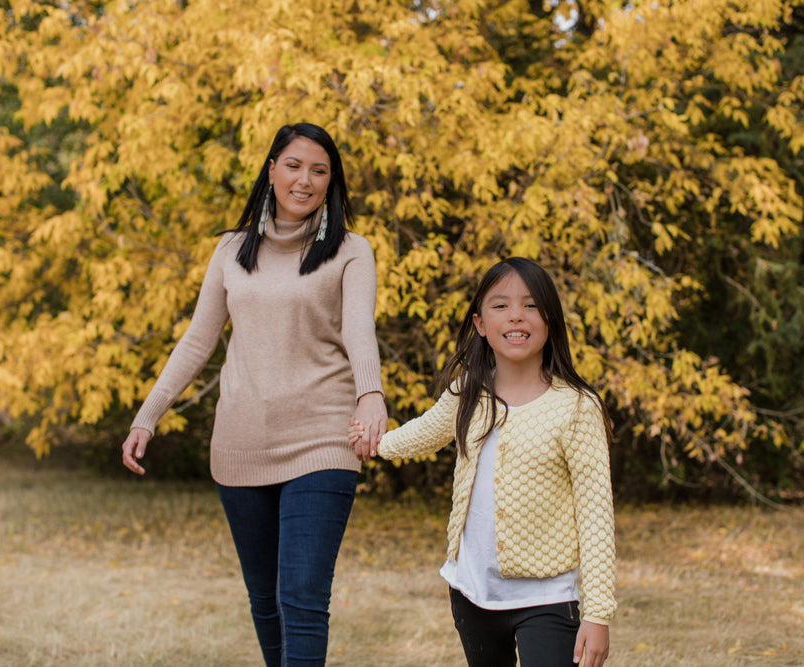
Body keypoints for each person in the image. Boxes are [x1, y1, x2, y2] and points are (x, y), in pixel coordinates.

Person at [121, 122, 388, 667]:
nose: (305, 180)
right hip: (241, 441)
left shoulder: (351, 250)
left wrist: (371, 394)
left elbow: (360, 327)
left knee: (302, 600)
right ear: (271, 170)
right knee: (266, 603)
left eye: (319, 170)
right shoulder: (231, 249)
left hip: (322, 438)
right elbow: (198, 340)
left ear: (330, 182)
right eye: (293, 165)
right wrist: (147, 417)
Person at [350, 257, 616, 667]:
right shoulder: (467, 393)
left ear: (551, 319)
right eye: (500, 305)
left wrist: (597, 614)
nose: (516, 316)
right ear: (479, 323)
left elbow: (596, 517)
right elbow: (422, 434)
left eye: (531, 305)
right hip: (471, 593)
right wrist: (375, 443)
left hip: (548, 599)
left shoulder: (577, 408)